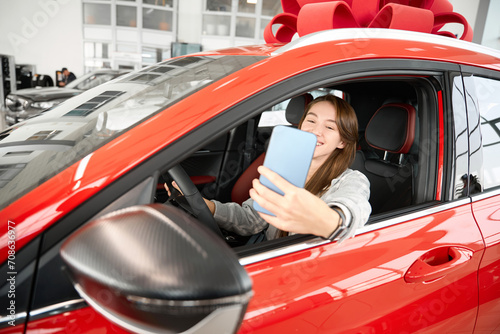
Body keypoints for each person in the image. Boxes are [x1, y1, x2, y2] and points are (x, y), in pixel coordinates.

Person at [167, 94, 371, 242]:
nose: (316, 131)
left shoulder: (351, 180)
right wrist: (206, 206)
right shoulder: (283, 168)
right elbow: (251, 220)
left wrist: (328, 221)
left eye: (329, 127)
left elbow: (353, 211)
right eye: (311, 121)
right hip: (266, 249)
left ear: (342, 141)